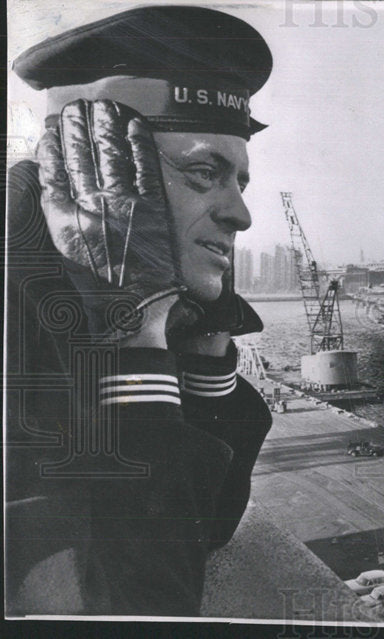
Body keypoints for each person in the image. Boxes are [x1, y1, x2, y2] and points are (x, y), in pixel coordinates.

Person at [6, 6, 273, 616]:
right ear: (92, 172)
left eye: (240, 181)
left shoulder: (108, 271)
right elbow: (135, 605)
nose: (241, 213)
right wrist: (138, 332)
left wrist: (205, 330)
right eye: (205, 173)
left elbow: (209, 527)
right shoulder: (13, 306)